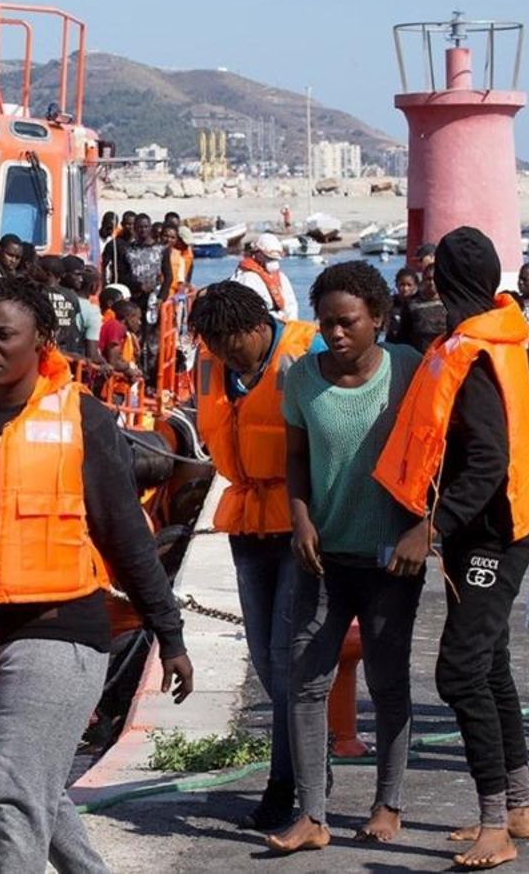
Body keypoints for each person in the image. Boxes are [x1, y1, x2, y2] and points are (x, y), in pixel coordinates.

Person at [0, 276, 194, 873]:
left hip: (61, 629)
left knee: (11, 797)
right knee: (33, 792)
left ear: (42, 341)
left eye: (6, 335)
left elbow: (125, 533)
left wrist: (169, 633)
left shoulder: (84, 418)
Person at [375, 226, 529, 869]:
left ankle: (493, 825)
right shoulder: (502, 338)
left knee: (460, 670)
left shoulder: (474, 355)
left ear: (444, 283)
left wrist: (431, 526)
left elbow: (487, 462)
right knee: (491, 662)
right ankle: (521, 808)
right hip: (507, 521)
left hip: (495, 534)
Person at [270, 261, 424, 853]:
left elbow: (439, 454)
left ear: (378, 320)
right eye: (326, 323)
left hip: (391, 559)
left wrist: (424, 529)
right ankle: (312, 814)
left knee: (387, 683)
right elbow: (296, 458)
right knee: (306, 683)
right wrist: (300, 520)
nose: (335, 334)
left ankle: (389, 802)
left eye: (348, 322)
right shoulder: (303, 379)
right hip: (324, 555)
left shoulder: (407, 369)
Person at [190, 280, 324, 830]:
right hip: (247, 523)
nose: (224, 357)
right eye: (214, 347)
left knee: (288, 658)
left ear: (253, 328)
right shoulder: (213, 364)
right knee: (266, 662)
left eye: (231, 345)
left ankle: (286, 784)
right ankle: (309, 764)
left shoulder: (302, 353)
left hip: (296, 524)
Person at [231, 233, 299, 321]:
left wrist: (291, 322)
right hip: (260, 324)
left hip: (282, 323)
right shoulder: (247, 277)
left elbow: (291, 304)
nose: (273, 263)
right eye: (269, 258)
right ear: (257, 253)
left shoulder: (282, 278)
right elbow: (251, 309)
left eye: (275, 259)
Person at [36, 255, 87, 358]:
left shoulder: (39, 292)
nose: (34, 271)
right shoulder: (72, 296)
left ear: (47, 273)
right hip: (64, 352)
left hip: (44, 351)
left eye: (37, 269)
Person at [398, 268, 447, 352]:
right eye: (428, 279)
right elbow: (403, 335)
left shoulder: (450, 303)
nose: (432, 283)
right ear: (423, 280)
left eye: (435, 279)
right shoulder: (411, 304)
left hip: (445, 355)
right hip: (419, 356)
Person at [388, 267, 419, 343]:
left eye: (409, 285)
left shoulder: (419, 305)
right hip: (392, 344)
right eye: (402, 285)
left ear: (415, 286)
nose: (405, 288)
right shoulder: (389, 303)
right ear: (396, 284)